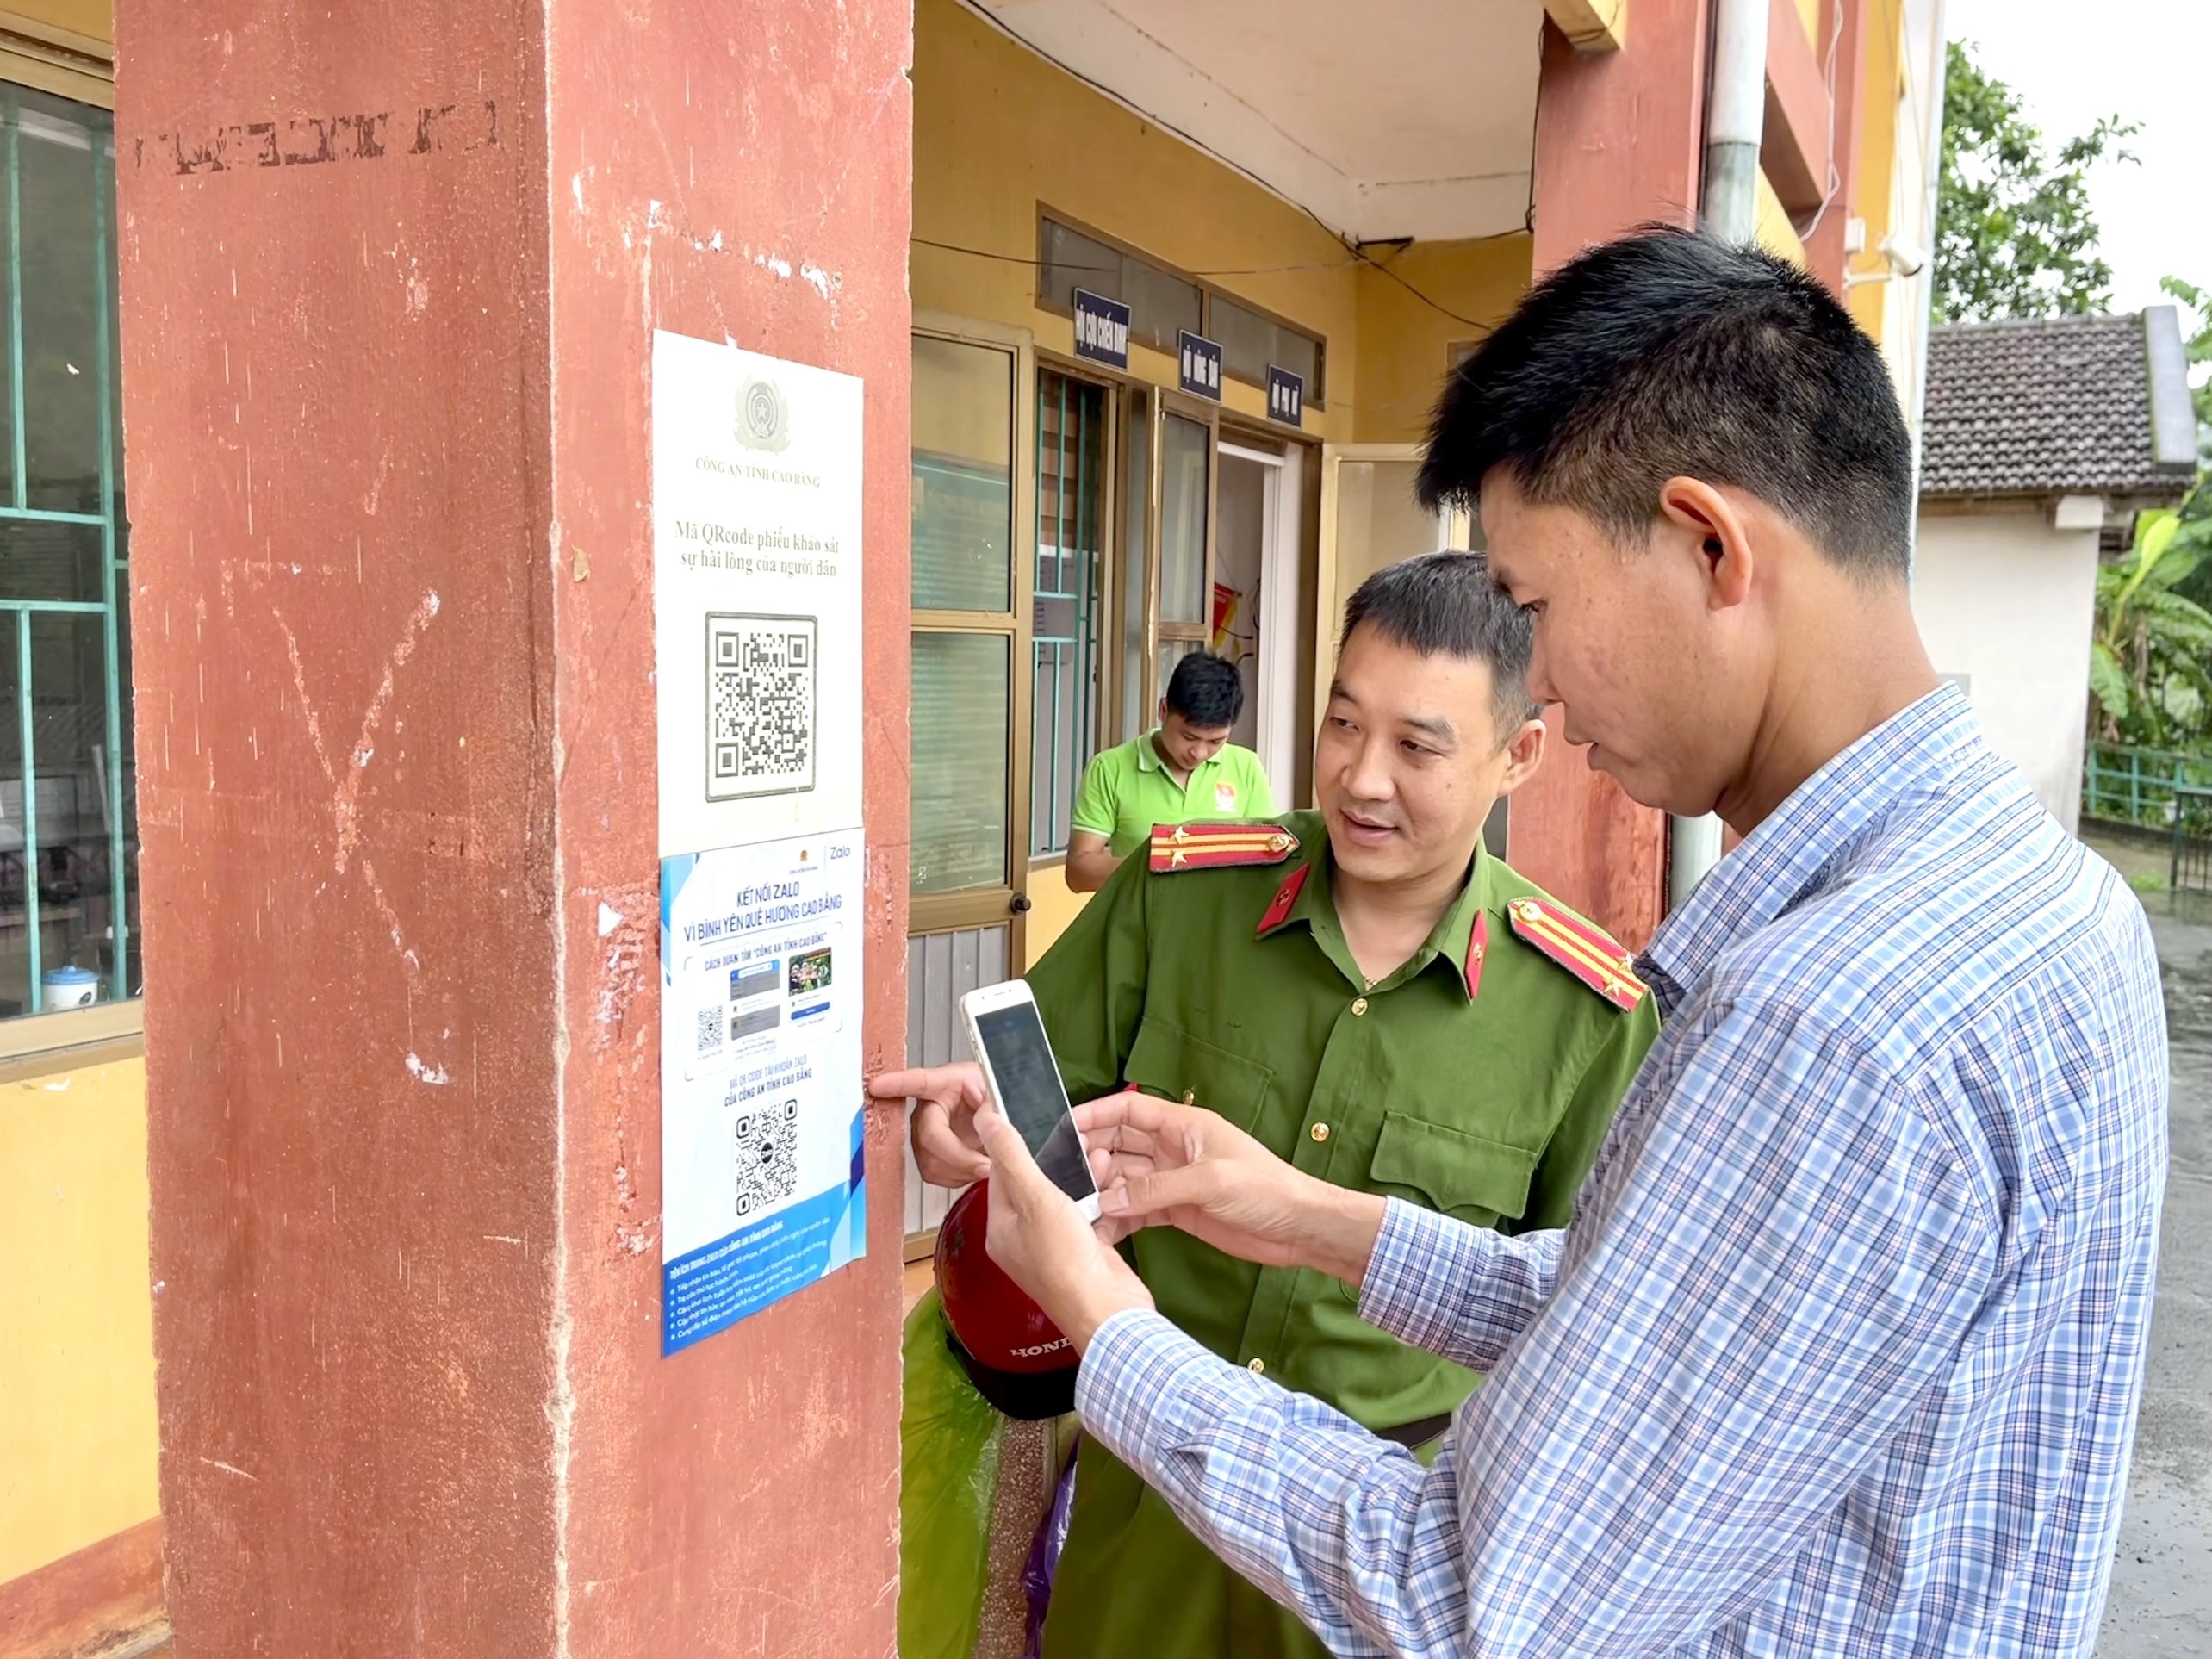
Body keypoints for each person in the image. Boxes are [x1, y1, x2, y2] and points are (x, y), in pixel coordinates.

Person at [969, 225, 2169, 1658]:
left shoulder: (1820, 1016)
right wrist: (1297, 1210)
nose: (1534, 680)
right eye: (1347, 722)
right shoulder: (2055, 904)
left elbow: (1468, 1600)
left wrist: (1101, 1315)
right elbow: (1672, 1319)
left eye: (1534, 607)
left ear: (1707, 544)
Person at [872, 553, 1660, 1659]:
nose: (1362, 779)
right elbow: (1035, 1107)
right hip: (1144, 1517)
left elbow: (1591, 1330)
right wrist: (967, 1131)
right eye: (1343, 725)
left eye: (1417, 746)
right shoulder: (1182, 890)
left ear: (1519, 754)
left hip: (1376, 1567)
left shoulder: (1589, 1016)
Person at [1064, 651, 1277, 892]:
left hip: (1220, 927)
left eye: (1216, 742)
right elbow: (1078, 873)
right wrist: (1159, 865)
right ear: (1163, 710)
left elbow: (1266, 857)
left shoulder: (1246, 767)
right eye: (1189, 737)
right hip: (1140, 927)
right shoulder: (1109, 768)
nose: (1199, 752)